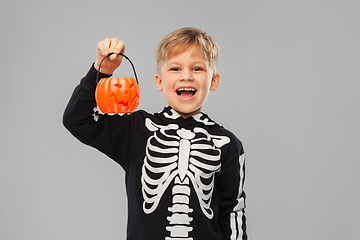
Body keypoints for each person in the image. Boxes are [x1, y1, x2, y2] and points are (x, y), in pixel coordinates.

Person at [63, 27, 247, 239]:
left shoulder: (227, 144)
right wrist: (101, 70)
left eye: (197, 69)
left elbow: (233, 214)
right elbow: (77, 119)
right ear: (159, 81)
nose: (186, 76)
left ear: (213, 81)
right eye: (175, 69)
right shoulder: (138, 129)